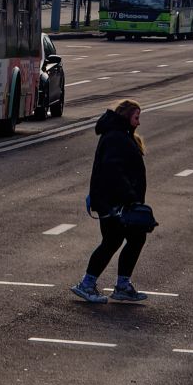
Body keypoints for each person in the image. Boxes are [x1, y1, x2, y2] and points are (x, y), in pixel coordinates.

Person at [73, 99, 149, 304]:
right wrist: (130, 197)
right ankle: (89, 284)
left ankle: (118, 285)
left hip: (117, 202)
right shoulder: (116, 137)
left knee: (128, 239)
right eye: (136, 117)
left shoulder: (121, 135)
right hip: (113, 203)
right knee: (117, 240)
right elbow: (112, 171)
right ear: (126, 117)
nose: (139, 123)